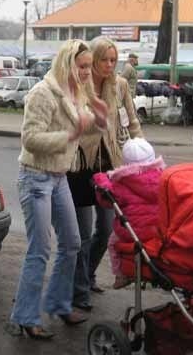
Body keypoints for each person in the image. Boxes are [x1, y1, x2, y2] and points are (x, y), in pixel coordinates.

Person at [9, 39, 108, 339]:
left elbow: (85, 128)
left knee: (73, 242)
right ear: (67, 64)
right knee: (40, 249)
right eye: (82, 66)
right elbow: (30, 139)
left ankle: (59, 303)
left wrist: (100, 118)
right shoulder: (43, 92)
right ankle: (25, 316)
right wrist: (69, 134)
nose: (88, 72)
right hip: (35, 176)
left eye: (89, 66)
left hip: (59, 177)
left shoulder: (76, 93)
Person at [73, 36, 143, 311]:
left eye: (114, 60)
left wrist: (142, 146)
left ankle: (87, 275)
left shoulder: (120, 85)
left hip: (110, 164)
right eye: (105, 59)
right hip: (83, 163)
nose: (110, 65)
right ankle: (78, 287)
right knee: (82, 234)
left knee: (106, 227)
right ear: (95, 58)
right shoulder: (81, 84)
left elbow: (131, 119)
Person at [93, 138, 165, 290]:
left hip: (131, 232)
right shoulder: (162, 178)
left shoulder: (122, 182)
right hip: (158, 230)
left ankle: (121, 275)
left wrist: (100, 179)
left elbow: (107, 201)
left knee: (112, 243)